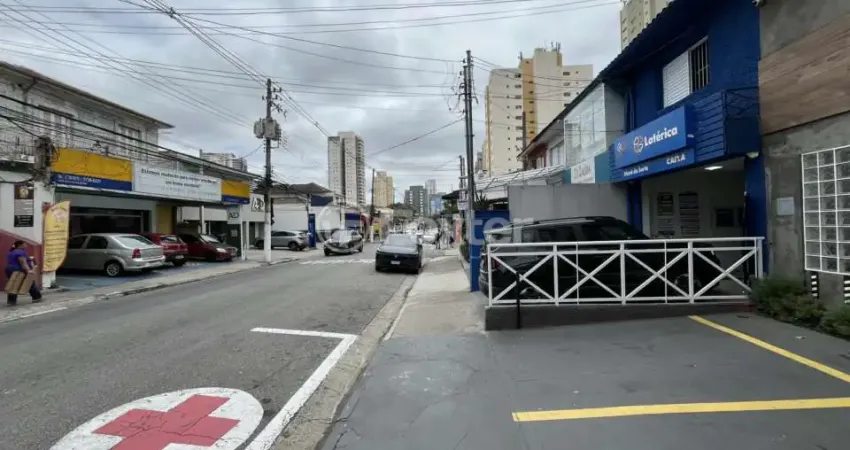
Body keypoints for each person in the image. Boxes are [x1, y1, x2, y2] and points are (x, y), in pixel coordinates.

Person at [5, 240, 42, 307]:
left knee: (13, 285)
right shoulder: (20, 252)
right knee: (30, 283)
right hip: (19, 271)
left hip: (9, 269)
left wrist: (29, 258)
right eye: (24, 244)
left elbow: (14, 260)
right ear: (20, 245)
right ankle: (37, 297)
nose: (26, 245)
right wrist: (29, 271)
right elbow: (23, 263)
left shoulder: (11, 252)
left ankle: (11, 301)